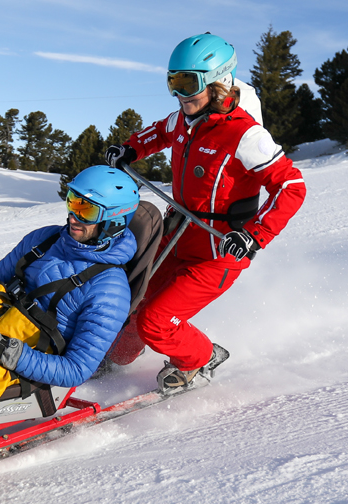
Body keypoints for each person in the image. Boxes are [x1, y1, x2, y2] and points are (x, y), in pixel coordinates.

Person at [104, 32, 306, 393]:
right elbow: (157, 133)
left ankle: (200, 358)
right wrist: (129, 150)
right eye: (172, 83)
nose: (179, 95)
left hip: (218, 251)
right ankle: (114, 361)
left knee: (156, 319)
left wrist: (255, 235)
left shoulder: (246, 135)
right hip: (178, 234)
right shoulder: (184, 119)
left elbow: (291, 186)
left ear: (218, 83)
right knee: (135, 301)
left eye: (187, 83)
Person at [0, 165, 141, 388]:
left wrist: (2, 349)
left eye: (86, 210)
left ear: (114, 222)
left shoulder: (110, 290)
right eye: (72, 202)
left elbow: (76, 369)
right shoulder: (45, 238)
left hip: (16, 358)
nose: (72, 217)